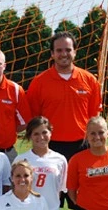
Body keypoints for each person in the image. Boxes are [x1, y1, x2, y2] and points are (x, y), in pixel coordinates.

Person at [26, 32, 102, 162]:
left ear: (75, 52)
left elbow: (94, 117)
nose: (64, 54)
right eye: (59, 50)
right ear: (52, 53)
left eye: (68, 50)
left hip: (82, 145)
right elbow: (35, 119)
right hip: (51, 146)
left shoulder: (90, 80)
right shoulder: (39, 83)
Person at [14, 116, 68, 210]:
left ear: (50, 133)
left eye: (44, 132)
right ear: (30, 136)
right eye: (36, 134)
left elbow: (59, 190)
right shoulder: (21, 159)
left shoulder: (60, 160)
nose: (41, 137)